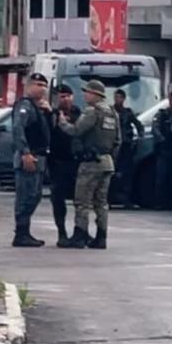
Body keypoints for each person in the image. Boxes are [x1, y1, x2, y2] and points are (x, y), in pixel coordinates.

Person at [58, 80, 121, 249]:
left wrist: (62, 121)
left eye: (87, 92)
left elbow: (76, 130)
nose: (85, 95)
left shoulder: (93, 111)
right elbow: (118, 141)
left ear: (95, 95)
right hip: (107, 162)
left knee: (82, 201)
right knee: (101, 202)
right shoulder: (113, 113)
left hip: (90, 163)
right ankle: (101, 237)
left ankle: (79, 235)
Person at [11, 72, 51, 248]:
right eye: (37, 85)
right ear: (28, 86)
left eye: (44, 86)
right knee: (25, 196)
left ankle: (25, 232)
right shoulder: (25, 106)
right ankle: (21, 233)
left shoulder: (39, 108)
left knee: (35, 196)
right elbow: (18, 128)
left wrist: (49, 113)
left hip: (39, 157)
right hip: (28, 157)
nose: (41, 89)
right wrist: (25, 153)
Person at [48, 85, 81, 248]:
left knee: (81, 200)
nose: (66, 99)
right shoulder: (50, 115)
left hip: (76, 163)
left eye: (68, 95)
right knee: (58, 200)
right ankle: (62, 233)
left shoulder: (78, 113)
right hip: (57, 162)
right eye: (62, 96)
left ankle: (80, 232)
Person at [113, 88, 143, 208]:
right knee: (112, 173)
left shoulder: (127, 112)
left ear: (123, 99)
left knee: (126, 173)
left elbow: (138, 124)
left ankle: (126, 199)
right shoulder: (110, 110)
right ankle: (110, 198)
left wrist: (140, 135)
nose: (117, 99)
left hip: (126, 145)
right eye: (116, 97)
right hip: (113, 145)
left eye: (119, 97)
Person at [152, 91, 172, 209]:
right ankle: (159, 202)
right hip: (164, 150)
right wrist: (162, 139)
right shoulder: (162, 114)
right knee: (161, 177)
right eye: (171, 100)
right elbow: (155, 128)